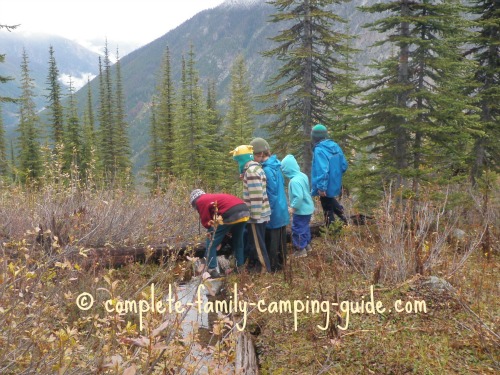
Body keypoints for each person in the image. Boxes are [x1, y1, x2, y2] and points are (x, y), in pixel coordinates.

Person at [190, 189, 250, 278]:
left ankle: (212, 269)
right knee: (238, 241)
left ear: (194, 202)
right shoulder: (211, 197)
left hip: (230, 213)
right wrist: (221, 237)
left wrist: (217, 240)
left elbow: (207, 222)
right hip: (244, 211)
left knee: (211, 241)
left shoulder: (200, 201)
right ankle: (239, 267)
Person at [230, 145, 272, 273]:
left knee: (258, 245)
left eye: (237, 161)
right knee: (256, 243)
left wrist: (253, 216)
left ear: (241, 159)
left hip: (256, 216)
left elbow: (256, 195)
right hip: (260, 213)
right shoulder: (254, 169)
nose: (237, 164)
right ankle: (257, 268)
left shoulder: (252, 172)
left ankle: (264, 270)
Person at [250, 137, 290, 271]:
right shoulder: (276, 165)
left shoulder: (266, 170)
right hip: (282, 208)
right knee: (281, 240)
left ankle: (274, 269)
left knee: (273, 242)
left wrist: (267, 212)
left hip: (274, 210)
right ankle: (282, 265)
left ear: (260, 154)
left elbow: (270, 193)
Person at [310, 124, 348, 226]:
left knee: (327, 210)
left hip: (325, 185)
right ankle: (346, 219)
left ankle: (332, 235)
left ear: (314, 137)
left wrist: (322, 187)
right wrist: (336, 176)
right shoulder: (335, 146)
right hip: (335, 182)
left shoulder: (319, 150)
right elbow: (344, 165)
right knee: (330, 201)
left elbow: (323, 170)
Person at [280, 154, 315, 258]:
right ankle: (307, 245)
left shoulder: (294, 181)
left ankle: (300, 249)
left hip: (300, 210)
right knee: (305, 227)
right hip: (308, 208)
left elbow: (298, 197)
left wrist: (293, 208)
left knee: (297, 229)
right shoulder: (302, 175)